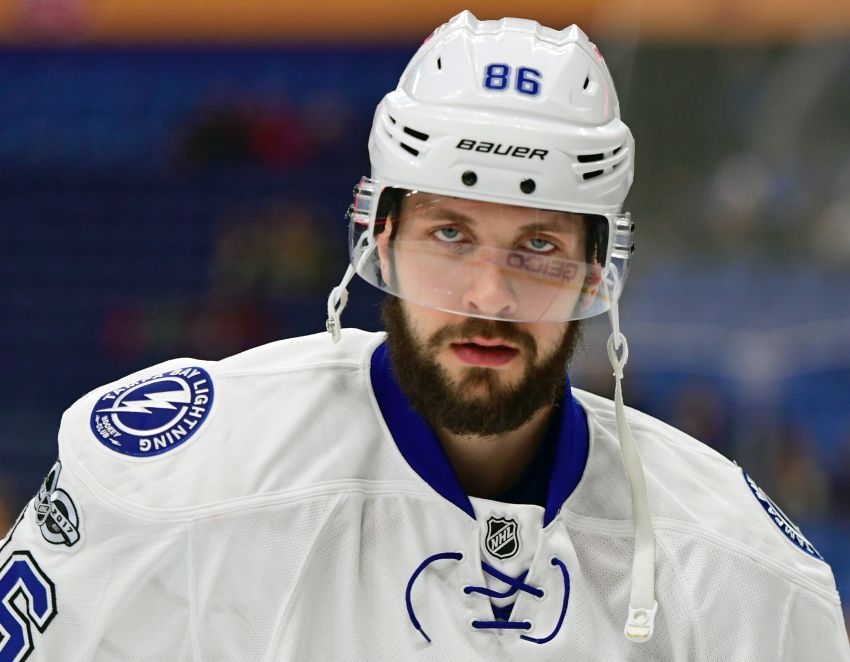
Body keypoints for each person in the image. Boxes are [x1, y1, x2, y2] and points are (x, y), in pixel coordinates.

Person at [1, 11, 848, 661]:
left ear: (598, 270)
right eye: (450, 234)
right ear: (381, 239)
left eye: (538, 246)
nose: (490, 294)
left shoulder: (737, 571)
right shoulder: (179, 479)